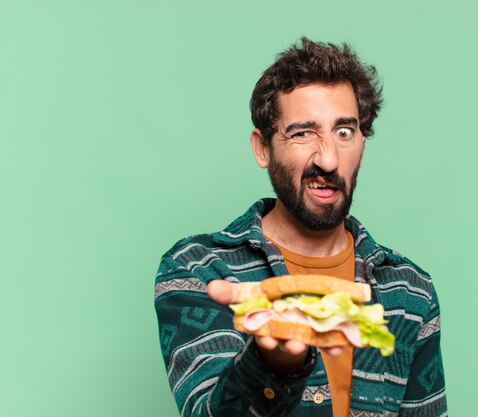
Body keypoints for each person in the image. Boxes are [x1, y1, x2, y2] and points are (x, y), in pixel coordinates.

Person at [154, 37, 447, 417]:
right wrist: (272, 365)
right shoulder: (197, 270)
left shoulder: (411, 292)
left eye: (344, 132)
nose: (328, 159)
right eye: (303, 133)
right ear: (263, 148)